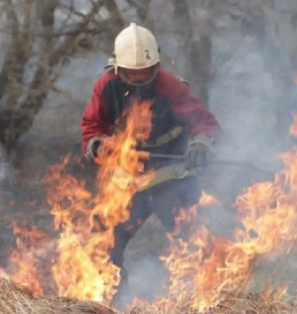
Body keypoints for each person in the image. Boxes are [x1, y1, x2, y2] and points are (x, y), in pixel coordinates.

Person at [81, 22, 222, 308]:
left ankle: (202, 302)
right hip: (126, 181)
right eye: (132, 73)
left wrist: (201, 143)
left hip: (170, 180)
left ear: (156, 65)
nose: (139, 78)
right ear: (118, 68)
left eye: (145, 72)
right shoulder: (105, 86)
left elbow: (204, 123)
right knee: (103, 245)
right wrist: (96, 145)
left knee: (194, 243)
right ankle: (113, 304)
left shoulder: (170, 86)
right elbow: (92, 126)